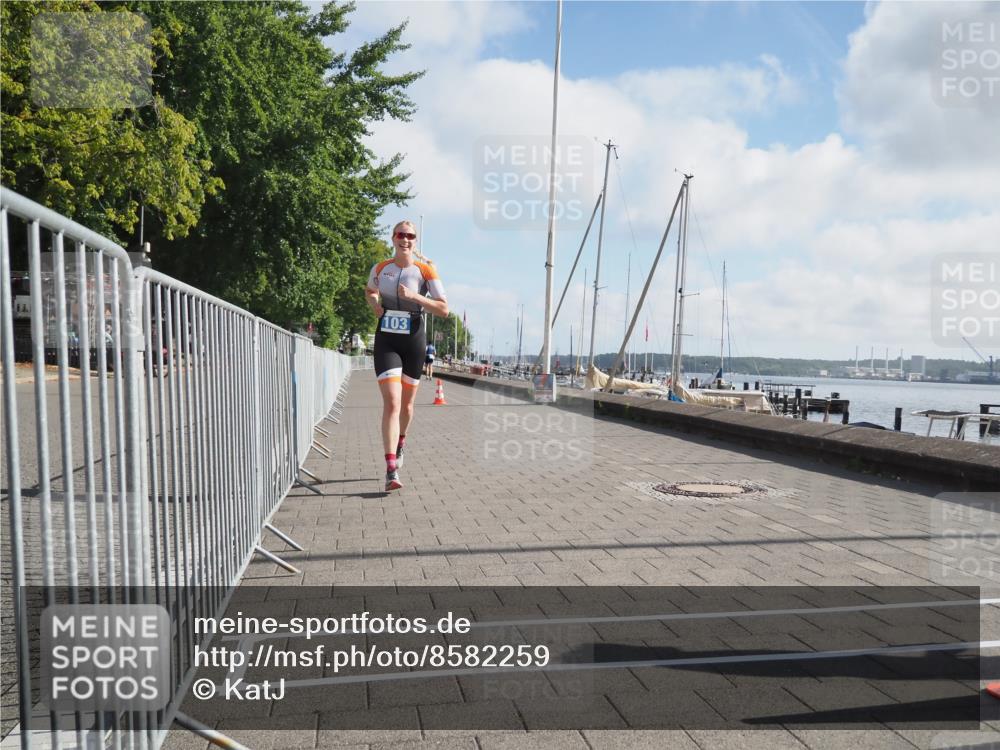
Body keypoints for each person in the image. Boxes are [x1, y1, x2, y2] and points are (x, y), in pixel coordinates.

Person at [365, 221, 449, 492]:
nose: (406, 239)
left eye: (411, 236)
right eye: (401, 234)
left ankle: (401, 442)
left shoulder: (426, 271)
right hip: (387, 339)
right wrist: (375, 304)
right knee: (392, 402)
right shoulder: (381, 268)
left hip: (413, 339)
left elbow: (443, 309)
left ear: (415, 240)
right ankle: (391, 469)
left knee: (407, 406)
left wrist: (415, 297)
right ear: (393, 238)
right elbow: (370, 290)